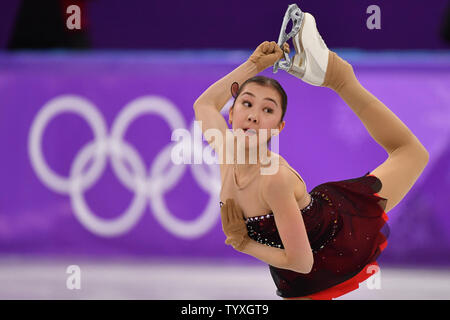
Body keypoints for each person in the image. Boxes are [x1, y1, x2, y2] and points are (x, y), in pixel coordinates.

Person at [193, 11, 429, 300]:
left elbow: (302, 262)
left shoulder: (274, 179)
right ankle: (338, 78)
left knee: (411, 153)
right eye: (246, 103)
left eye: (267, 110)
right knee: (410, 153)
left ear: (278, 128)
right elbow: (204, 104)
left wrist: (243, 243)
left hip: (336, 238)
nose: (254, 116)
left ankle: (341, 80)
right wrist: (253, 65)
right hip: (296, 278)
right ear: (231, 113)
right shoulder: (226, 150)